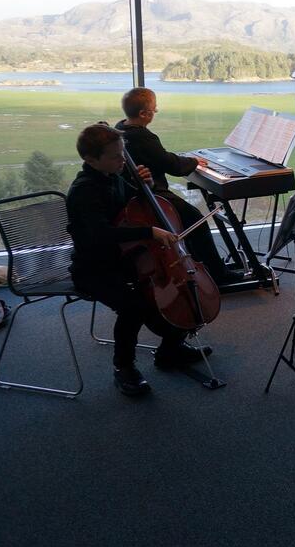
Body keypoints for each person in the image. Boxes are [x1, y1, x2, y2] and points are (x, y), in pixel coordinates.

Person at [65, 124, 213, 397]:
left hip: (129, 259)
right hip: (94, 267)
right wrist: (150, 231)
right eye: (115, 157)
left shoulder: (115, 176)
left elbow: (139, 204)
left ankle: (170, 350)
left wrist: (145, 184)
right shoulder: (84, 191)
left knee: (177, 293)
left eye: (123, 154)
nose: (123, 161)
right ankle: (124, 368)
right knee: (134, 306)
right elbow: (102, 234)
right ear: (90, 160)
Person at [115, 88, 237, 287]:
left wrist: (186, 159)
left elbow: (158, 156)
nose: (155, 112)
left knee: (190, 221)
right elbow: (171, 165)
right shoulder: (143, 137)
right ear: (144, 114)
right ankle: (218, 274)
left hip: (138, 192)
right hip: (152, 195)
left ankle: (204, 267)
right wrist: (193, 162)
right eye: (155, 110)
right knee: (195, 219)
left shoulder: (121, 129)